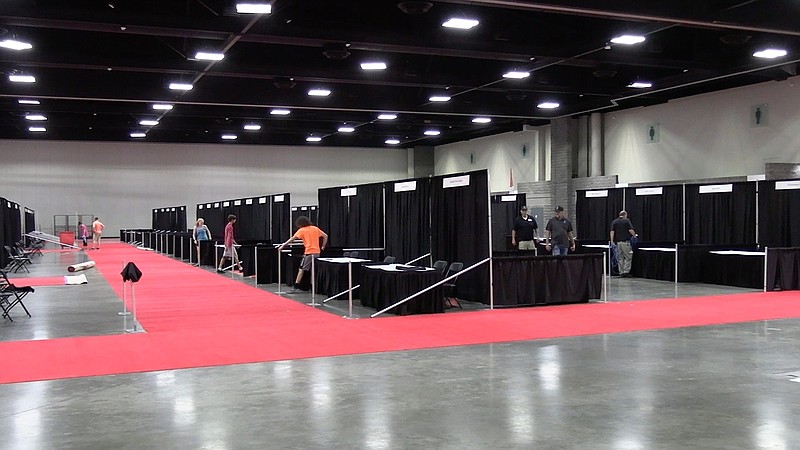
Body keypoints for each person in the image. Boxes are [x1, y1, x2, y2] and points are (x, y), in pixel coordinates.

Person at [278, 216, 328, 294]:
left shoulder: (302, 230)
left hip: (308, 252)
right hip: (317, 252)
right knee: (313, 270)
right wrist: (323, 246)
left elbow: (292, 239)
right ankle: (312, 287)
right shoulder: (315, 228)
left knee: (301, 269)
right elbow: (325, 236)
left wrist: (283, 246)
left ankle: (296, 286)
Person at [610, 210, 637, 277]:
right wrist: (634, 235)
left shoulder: (614, 222)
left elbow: (612, 232)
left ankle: (621, 272)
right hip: (626, 242)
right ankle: (626, 271)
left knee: (620, 258)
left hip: (618, 243)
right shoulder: (627, 221)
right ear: (625, 215)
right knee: (628, 257)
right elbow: (630, 230)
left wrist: (612, 241)